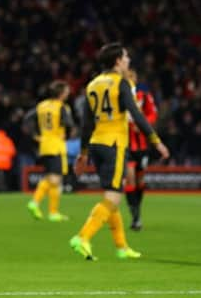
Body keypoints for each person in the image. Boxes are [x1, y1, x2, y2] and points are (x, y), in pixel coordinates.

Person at [70, 43, 169, 261]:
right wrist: (156, 141)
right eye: (125, 57)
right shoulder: (121, 83)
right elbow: (137, 114)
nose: (128, 61)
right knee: (113, 198)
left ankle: (122, 247)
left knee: (111, 196)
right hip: (114, 145)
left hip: (96, 144)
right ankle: (83, 237)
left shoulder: (92, 84)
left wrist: (84, 152)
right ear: (117, 61)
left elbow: (86, 123)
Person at [25, 80, 74, 222]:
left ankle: (53, 213)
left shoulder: (41, 106)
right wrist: (67, 134)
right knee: (55, 179)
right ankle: (35, 202)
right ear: (61, 93)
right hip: (56, 145)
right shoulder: (62, 107)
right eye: (66, 91)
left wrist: (35, 135)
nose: (68, 93)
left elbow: (27, 119)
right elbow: (69, 123)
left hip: (44, 144)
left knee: (53, 179)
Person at [124, 68, 158, 231]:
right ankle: (135, 216)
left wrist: (144, 123)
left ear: (136, 79)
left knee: (140, 181)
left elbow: (153, 114)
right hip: (126, 145)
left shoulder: (144, 96)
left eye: (132, 76)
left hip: (142, 146)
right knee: (130, 179)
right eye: (127, 76)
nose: (130, 78)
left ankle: (138, 211)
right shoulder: (120, 97)